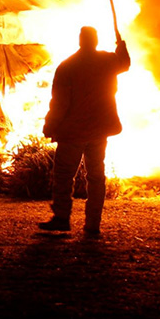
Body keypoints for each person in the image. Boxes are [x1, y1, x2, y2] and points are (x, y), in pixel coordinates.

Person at [39, 26, 130, 236]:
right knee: (96, 177)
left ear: (80, 40)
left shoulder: (67, 66)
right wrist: (121, 45)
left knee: (64, 176)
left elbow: (59, 103)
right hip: (99, 130)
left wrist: (50, 126)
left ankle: (62, 217)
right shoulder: (108, 61)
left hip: (73, 132)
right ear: (96, 41)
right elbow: (125, 63)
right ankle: (92, 225)